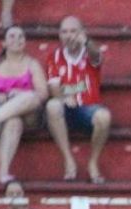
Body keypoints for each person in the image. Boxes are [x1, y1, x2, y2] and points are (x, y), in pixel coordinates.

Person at [0, 26, 47, 185]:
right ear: (4, 43)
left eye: (21, 36)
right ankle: (3, 172)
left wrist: (19, 93)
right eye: (12, 36)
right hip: (1, 112)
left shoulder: (32, 64)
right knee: (13, 121)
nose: (17, 40)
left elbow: (43, 93)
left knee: (30, 96)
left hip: (29, 113)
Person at [45, 16, 111, 184]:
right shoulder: (54, 57)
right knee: (53, 106)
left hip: (89, 108)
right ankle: (68, 160)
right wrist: (65, 97)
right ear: (59, 35)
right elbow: (54, 90)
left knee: (104, 116)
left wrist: (86, 42)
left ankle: (93, 162)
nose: (69, 35)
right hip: (66, 109)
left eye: (73, 31)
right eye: (64, 32)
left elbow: (97, 56)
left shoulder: (89, 53)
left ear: (82, 33)